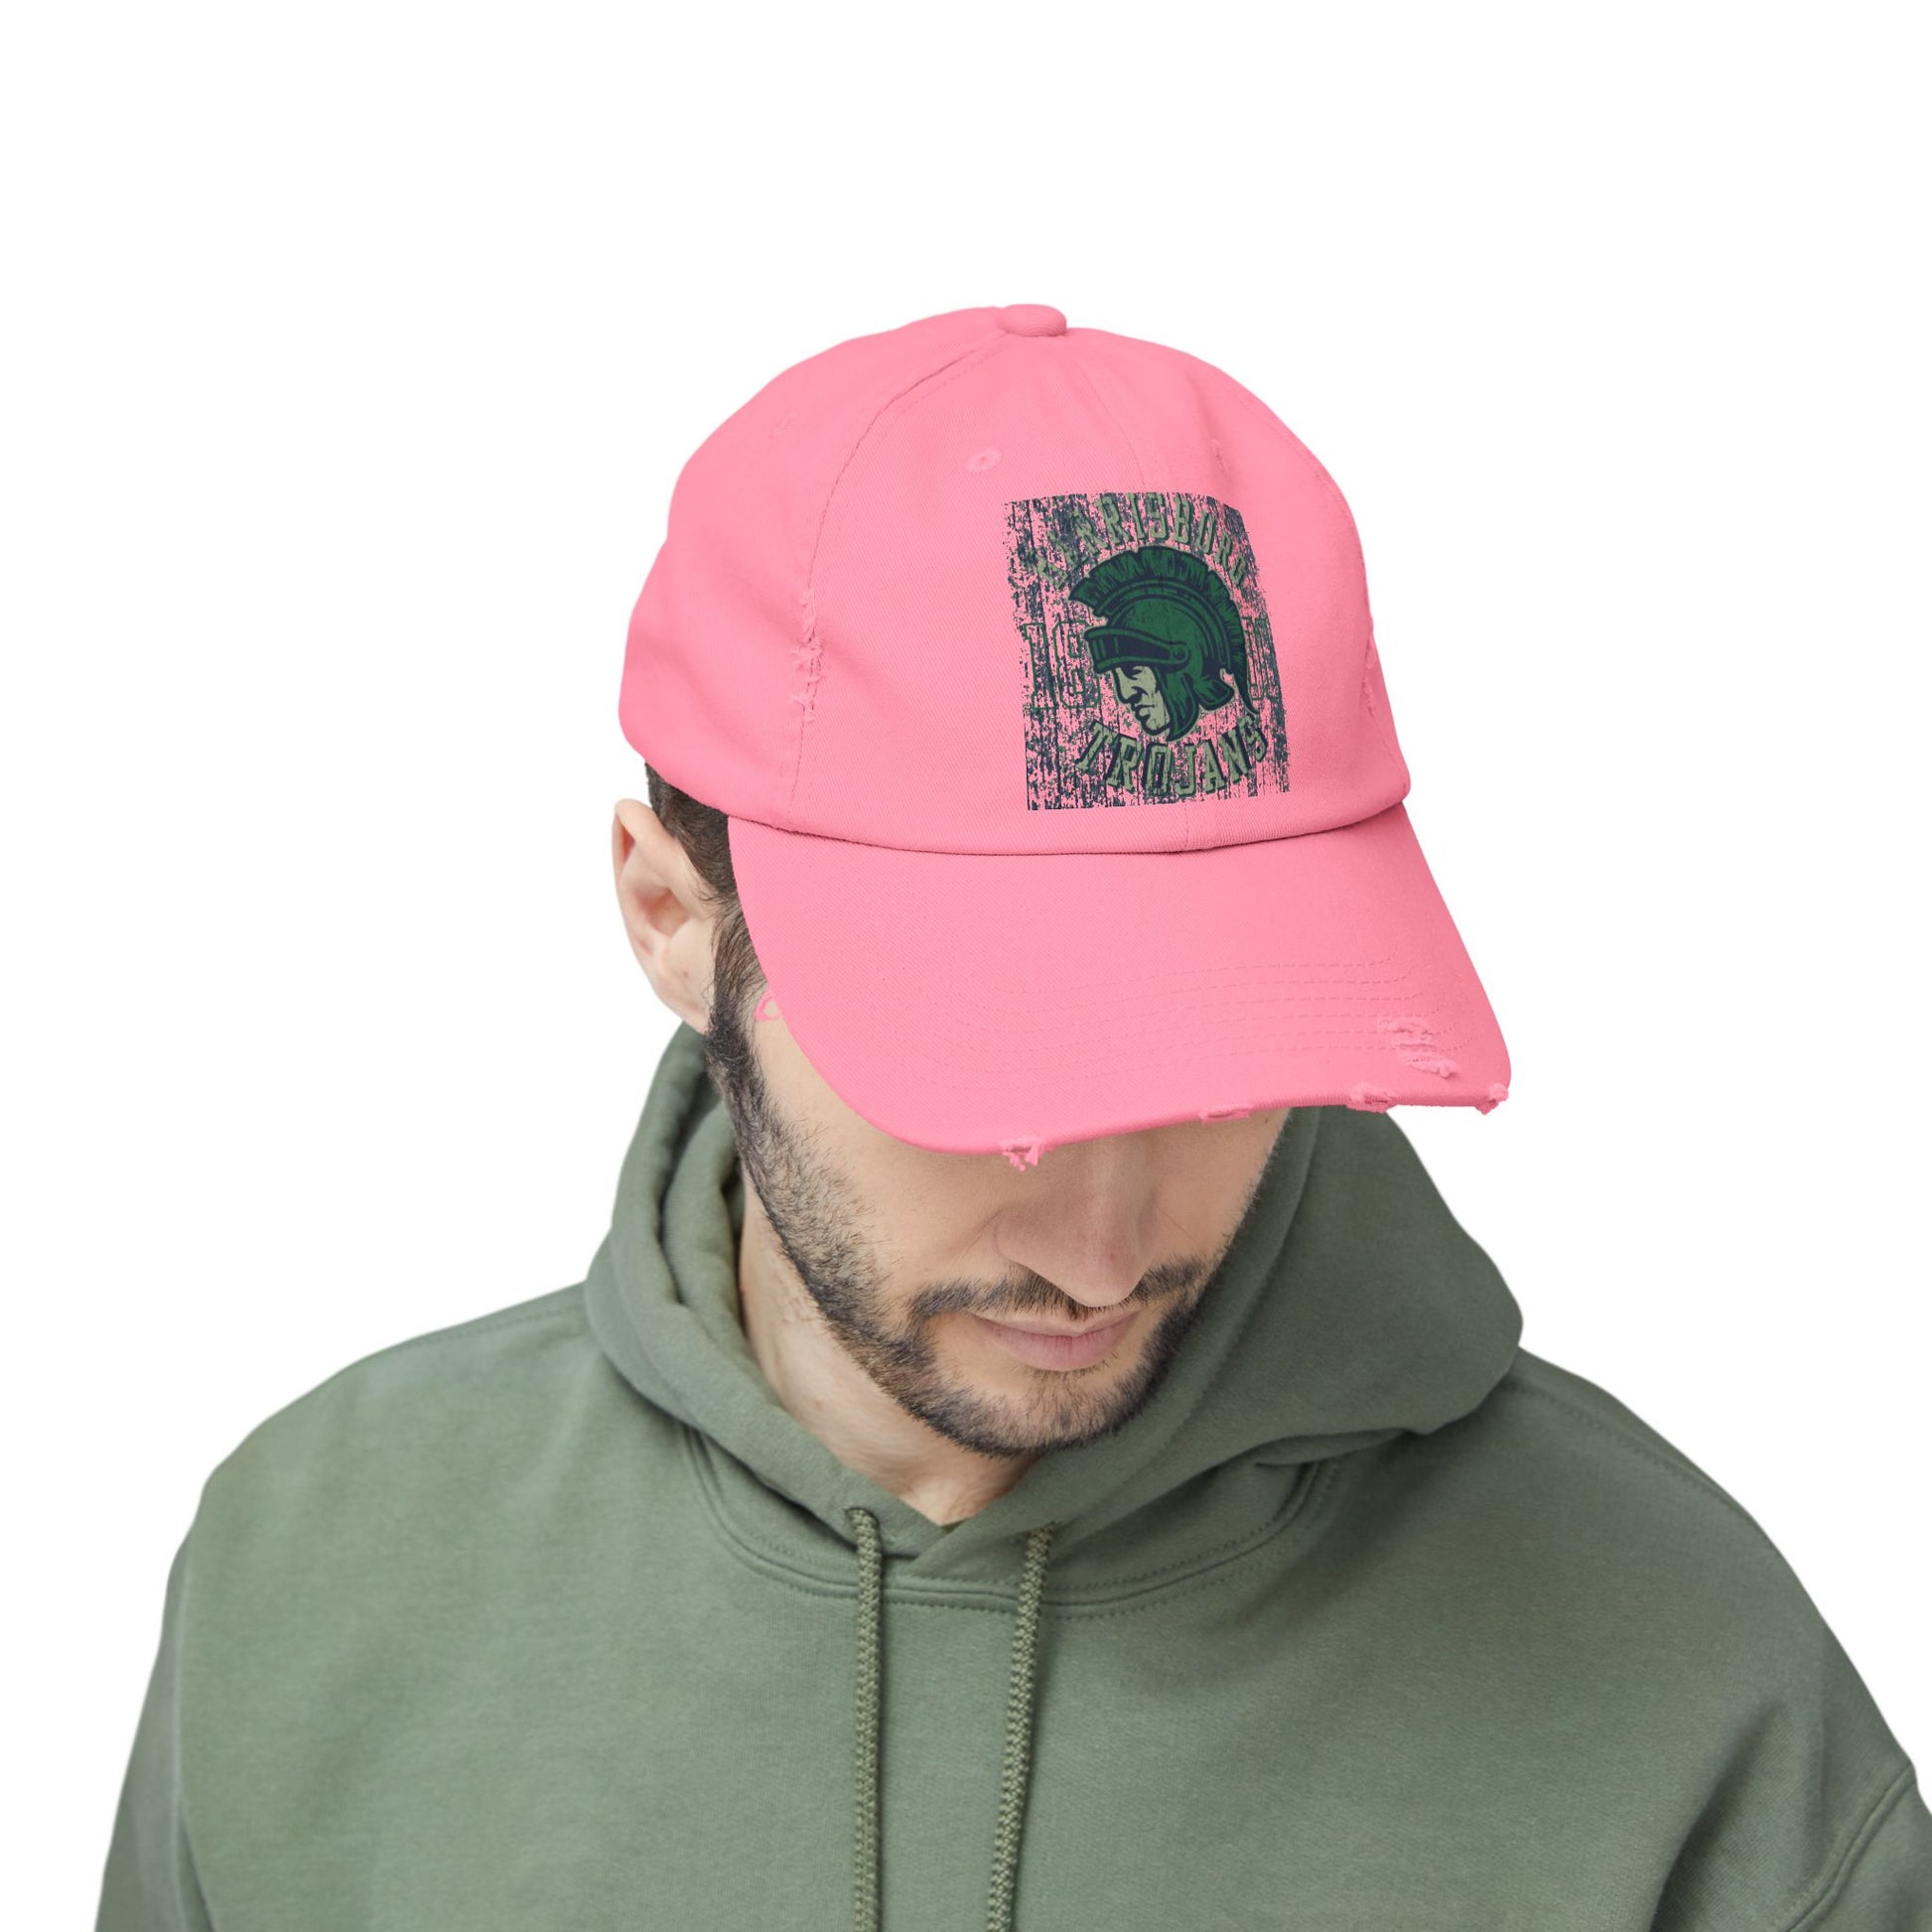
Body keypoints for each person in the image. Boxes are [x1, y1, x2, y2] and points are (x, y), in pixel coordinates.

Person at [96, 303, 1931, 1929]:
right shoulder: (314, 1580)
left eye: (1217, 1063)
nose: (1104, 1250)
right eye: (990, 1079)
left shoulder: (1681, 1686)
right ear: (667, 914)